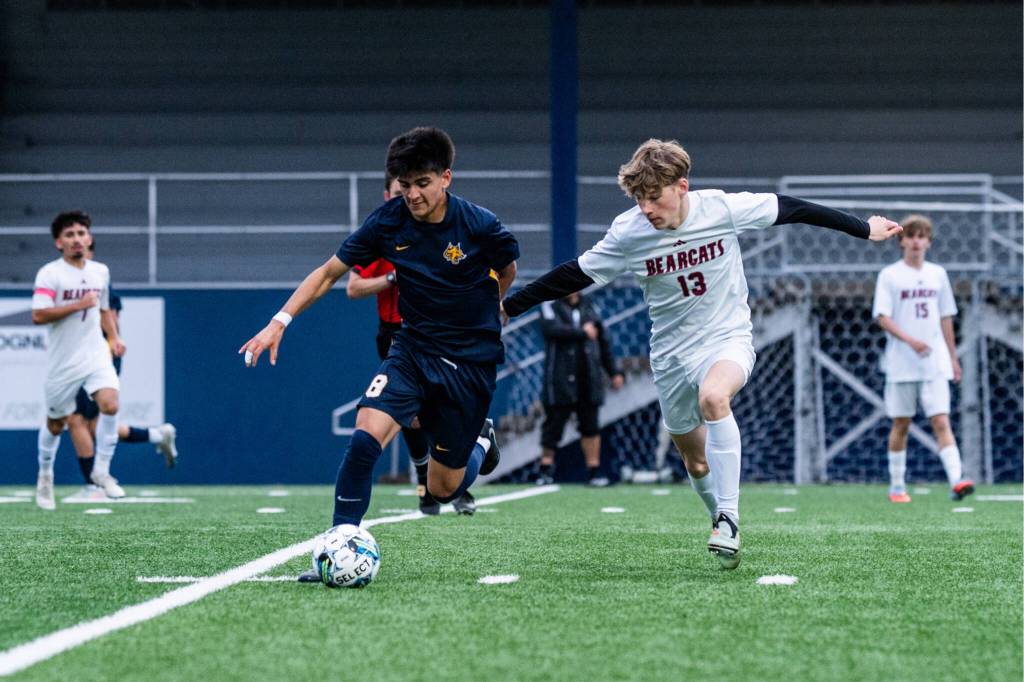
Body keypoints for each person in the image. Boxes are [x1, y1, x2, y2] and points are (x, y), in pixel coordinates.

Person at [501, 139, 902, 569]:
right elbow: (574, 274)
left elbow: (794, 208)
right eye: (639, 199)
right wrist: (509, 305)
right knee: (694, 460)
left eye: (654, 197)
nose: (647, 208)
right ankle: (717, 515)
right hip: (671, 353)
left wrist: (864, 228)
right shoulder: (629, 232)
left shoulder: (721, 208)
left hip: (726, 336)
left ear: (682, 187)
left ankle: (729, 518)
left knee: (715, 397)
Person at [239, 127, 518, 582]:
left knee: (443, 488)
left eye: (422, 183)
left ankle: (481, 440)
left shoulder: (480, 225)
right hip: (412, 348)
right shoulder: (388, 221)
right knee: (365, 435)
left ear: (446, 177)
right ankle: (338, 546)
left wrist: (494, 307)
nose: (412, 194)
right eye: (405, 185)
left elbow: (506, 269)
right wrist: (279, 321)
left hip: (468, 363)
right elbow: (330, 273)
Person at [346, 174, 476, 515]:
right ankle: (425, 483)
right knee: (406, 417)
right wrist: (391, 278)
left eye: (416, 188)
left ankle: (454, 476)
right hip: (395, 334)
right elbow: (352, 286)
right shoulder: (381, 230)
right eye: (401, 191)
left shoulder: (447, 225)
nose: (409, 197)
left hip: (440, 333)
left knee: (440, 411)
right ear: (389, 193)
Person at [872, 214, 974, 503]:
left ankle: (957, 480)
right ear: (902, 240)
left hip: (933, 362)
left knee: (941, 421)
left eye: (922, 236)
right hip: (902, 363)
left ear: (928, 242)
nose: (916, 241)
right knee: (901, 423)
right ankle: (896, 486)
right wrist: (911, 341)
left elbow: (945, 319)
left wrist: (952, 358)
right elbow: (882, 316)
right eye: (911, 236)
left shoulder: (937, 274)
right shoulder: (890, 275)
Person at [66, 240, 178, 499]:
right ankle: (157, 435)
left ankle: (94, 486)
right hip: (80, 358)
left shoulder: (98, 282)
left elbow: (110, 321)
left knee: (77, 420)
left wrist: (108, 344)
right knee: (93, 425)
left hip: (95, 359)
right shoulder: (67, 282)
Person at [31, 211, 127, 509]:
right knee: (57, 423)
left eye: (81, 233)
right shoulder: (50, 273)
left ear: (89, 238)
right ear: (59, 243)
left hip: (95, 351)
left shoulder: (100, 271)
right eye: (69, 235)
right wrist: (77, 305)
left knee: (110, 403)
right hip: (64, 360)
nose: (77, 239)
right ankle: (45, 474)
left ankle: (102, 470)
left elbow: (103, 309)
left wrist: (113, 337)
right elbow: (38, 314)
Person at [535, 291, 624, 487]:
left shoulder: (590, 306)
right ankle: (545, 471)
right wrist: (582, 332)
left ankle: (593, 472)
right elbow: (551, 329)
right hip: (560, 378)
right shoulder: (551, 304)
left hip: (588, 376)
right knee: (554, 425)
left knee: (590, 425)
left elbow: (602, 340)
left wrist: (614, 372)